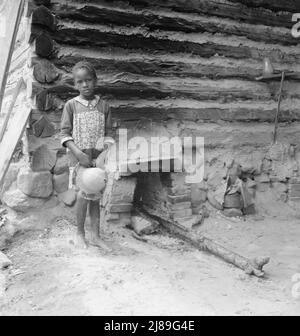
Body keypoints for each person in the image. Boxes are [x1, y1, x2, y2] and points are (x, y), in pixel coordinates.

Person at [60, 61, 112, 250]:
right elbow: (64, 134)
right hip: (79, 158)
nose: (85, 85)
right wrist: (79, 153)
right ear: (75, 84)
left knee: (95, 195)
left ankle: (96, 235)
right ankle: (79, 234)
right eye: (80, 82)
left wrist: (103, 154)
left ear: (95, 81)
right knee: (82, 195)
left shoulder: (104, 106)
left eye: (88, 80)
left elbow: (109, 135)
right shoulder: (71, 106)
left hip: (97, 159)